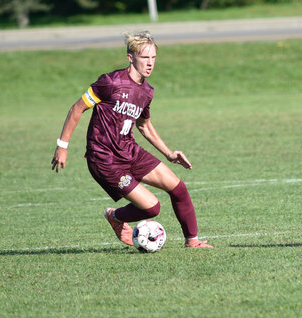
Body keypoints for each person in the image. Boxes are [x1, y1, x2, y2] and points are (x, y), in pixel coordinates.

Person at [51, 31, 213, 249]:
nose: (150, 63)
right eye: (145, 57)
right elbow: (77, 108)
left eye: (154, 58)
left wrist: (169, 153)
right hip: (105, 158)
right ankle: (116, 217)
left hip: (130, 151)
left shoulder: (146, 91)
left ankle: (192, 242)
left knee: (179, 188)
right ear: (130, 57)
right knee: (152, 208)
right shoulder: (110, 82)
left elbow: (144, 125)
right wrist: (63, 146)